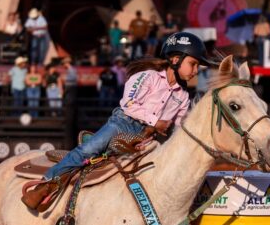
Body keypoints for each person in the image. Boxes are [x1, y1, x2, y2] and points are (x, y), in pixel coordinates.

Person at [23, 31, 215, 209]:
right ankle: (44, 186)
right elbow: (128, 104)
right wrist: (156, 122)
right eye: (193, 64)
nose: (196, 70)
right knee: (88, 150)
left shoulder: (183, 96)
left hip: (147, 139)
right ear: (175, 59)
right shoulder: (147, 77)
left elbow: (180, 126)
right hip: (122, 124)